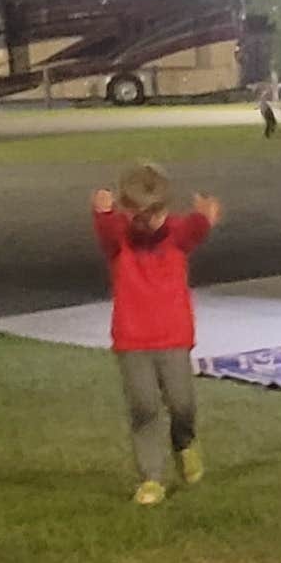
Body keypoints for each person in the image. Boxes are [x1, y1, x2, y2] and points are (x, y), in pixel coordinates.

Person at [92, 163, 222, 506]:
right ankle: (151, 477)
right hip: (132, 340)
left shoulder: (177, 234)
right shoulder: (119, 240)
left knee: (182, 403)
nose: (150, 220)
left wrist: (206, 214)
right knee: (144, 408)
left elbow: (197, 227)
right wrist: (102, 211)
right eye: (141, 214)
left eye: (156, 211)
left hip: (173, 337)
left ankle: (184, 442)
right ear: (128, 211)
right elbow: (105, 230)